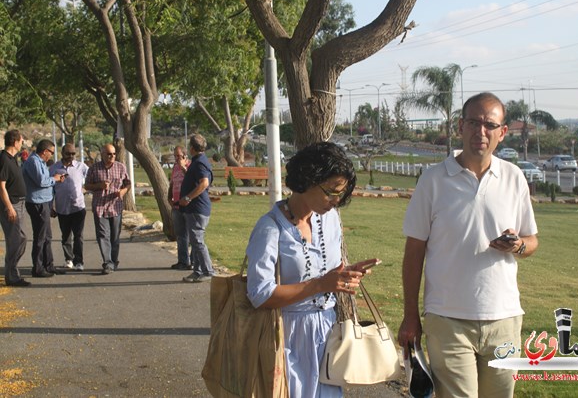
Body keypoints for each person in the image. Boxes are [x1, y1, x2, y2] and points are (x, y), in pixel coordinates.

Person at [398, 92, 539, 398]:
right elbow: (414, 253)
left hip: (503, 318)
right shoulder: (433, 181)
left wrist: (516, 245)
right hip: (447, 320)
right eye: (474, 122)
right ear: (460, 126)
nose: (481, 131)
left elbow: (532, 241)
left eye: (490, 124)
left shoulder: (514, 178)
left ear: (502, 132)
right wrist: (410, 315)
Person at [246, 142, 379, 398]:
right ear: (307, 179)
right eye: (330, 192)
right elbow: (259, 295)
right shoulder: (270, 228)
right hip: (286, 336)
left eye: (341, 194)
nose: (336, 201)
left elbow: (326, 274)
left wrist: (345, 276)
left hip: (327, 334)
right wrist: (321, 284)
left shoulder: (330, 219)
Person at [22, 139, 65, 278]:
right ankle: (38, 267)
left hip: (44, 201)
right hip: (37, 202)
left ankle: (48, 265)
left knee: (47, 236)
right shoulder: (34, 161)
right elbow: (41, 181)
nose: (51, 155)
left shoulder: (41, 162)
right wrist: (55, 179)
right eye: (51, 152)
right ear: (45, 151)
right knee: (40, 236)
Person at [85, 144, 130, 275]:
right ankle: (107, 262)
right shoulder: (94, 168)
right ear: (102, 154)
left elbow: (128, 183)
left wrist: (123, 191)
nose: (112, 156)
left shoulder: (120, 167)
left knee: (114, 236)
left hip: (115, 207)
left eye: (114, 154)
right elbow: (87, 185)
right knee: (103, 236)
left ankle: (114, 260)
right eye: (109, 154)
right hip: (100, 207)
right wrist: (99, 185)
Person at [178, 134, 215, 283]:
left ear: (192, 148)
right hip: (194, 209)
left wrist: (187, 198)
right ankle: (197, 271)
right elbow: (196, 180)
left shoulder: (200, 162)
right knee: (195, 241)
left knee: (197, 241)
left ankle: (207, 271)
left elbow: (204, 183)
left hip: (197, 208)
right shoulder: (198, 161)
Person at [50, 143, 89, 271]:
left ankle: (79, 261)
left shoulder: (81, 167)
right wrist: (51, 206)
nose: (71, 156)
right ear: (62, 153)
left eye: (73, 154)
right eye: (68, 154)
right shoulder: (54, 168)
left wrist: (86, 189)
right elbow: (50, 188)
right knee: (65, 235)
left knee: (78, 236)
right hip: (62, 208)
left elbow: (91, 179)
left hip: (78, 207)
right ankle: (69, 259)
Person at [0, 130, 30, 287]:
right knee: (14, 240)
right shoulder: (4, 159)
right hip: (11, 205)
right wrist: (9, 207)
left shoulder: (12, 159)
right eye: (21, 140)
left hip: (20, 203)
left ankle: (12, 271)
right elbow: (1, 186)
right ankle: (11, 276)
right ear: (15, 141)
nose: (22, 143)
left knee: (21, 238)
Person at [168, 145, 192, 270]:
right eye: (175, 156)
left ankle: (194, 262)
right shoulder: (175, 168)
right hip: (176, 206)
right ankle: (183, 261)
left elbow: (192, 181)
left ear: (185, 155)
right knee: (181, 235)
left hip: (188, 206)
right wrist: (169, 198)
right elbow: (172, 183)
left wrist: (183, 167)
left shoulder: (190, 166)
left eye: (179, 156)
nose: (176, 158)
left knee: (192, 235)